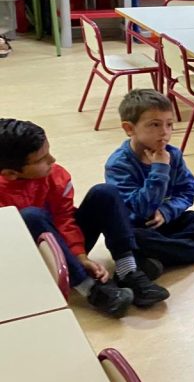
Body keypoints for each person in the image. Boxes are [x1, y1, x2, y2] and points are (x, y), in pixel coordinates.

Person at [0, 118, 168, 316]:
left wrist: (79, 256)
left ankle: (128, 270)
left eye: (49, 152)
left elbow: (64, 217)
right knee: (31, 216)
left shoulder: (55, 175)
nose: (52, 160)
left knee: (105, 193)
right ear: (10, 173)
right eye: (41, 160)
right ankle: (92, 290)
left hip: (64, 244)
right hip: (29, 258)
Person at [105, 89, 194, 270]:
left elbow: (187, 191)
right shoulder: (118, 165)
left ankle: (162, 253)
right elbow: (141, 209)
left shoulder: (173, 154)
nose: (165, 132)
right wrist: (160, 169)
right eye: (155, 125)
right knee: (134, 239)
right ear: (129, 128)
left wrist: (166, 211)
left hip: (169, 220)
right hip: (140, 226)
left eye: (169, 124)